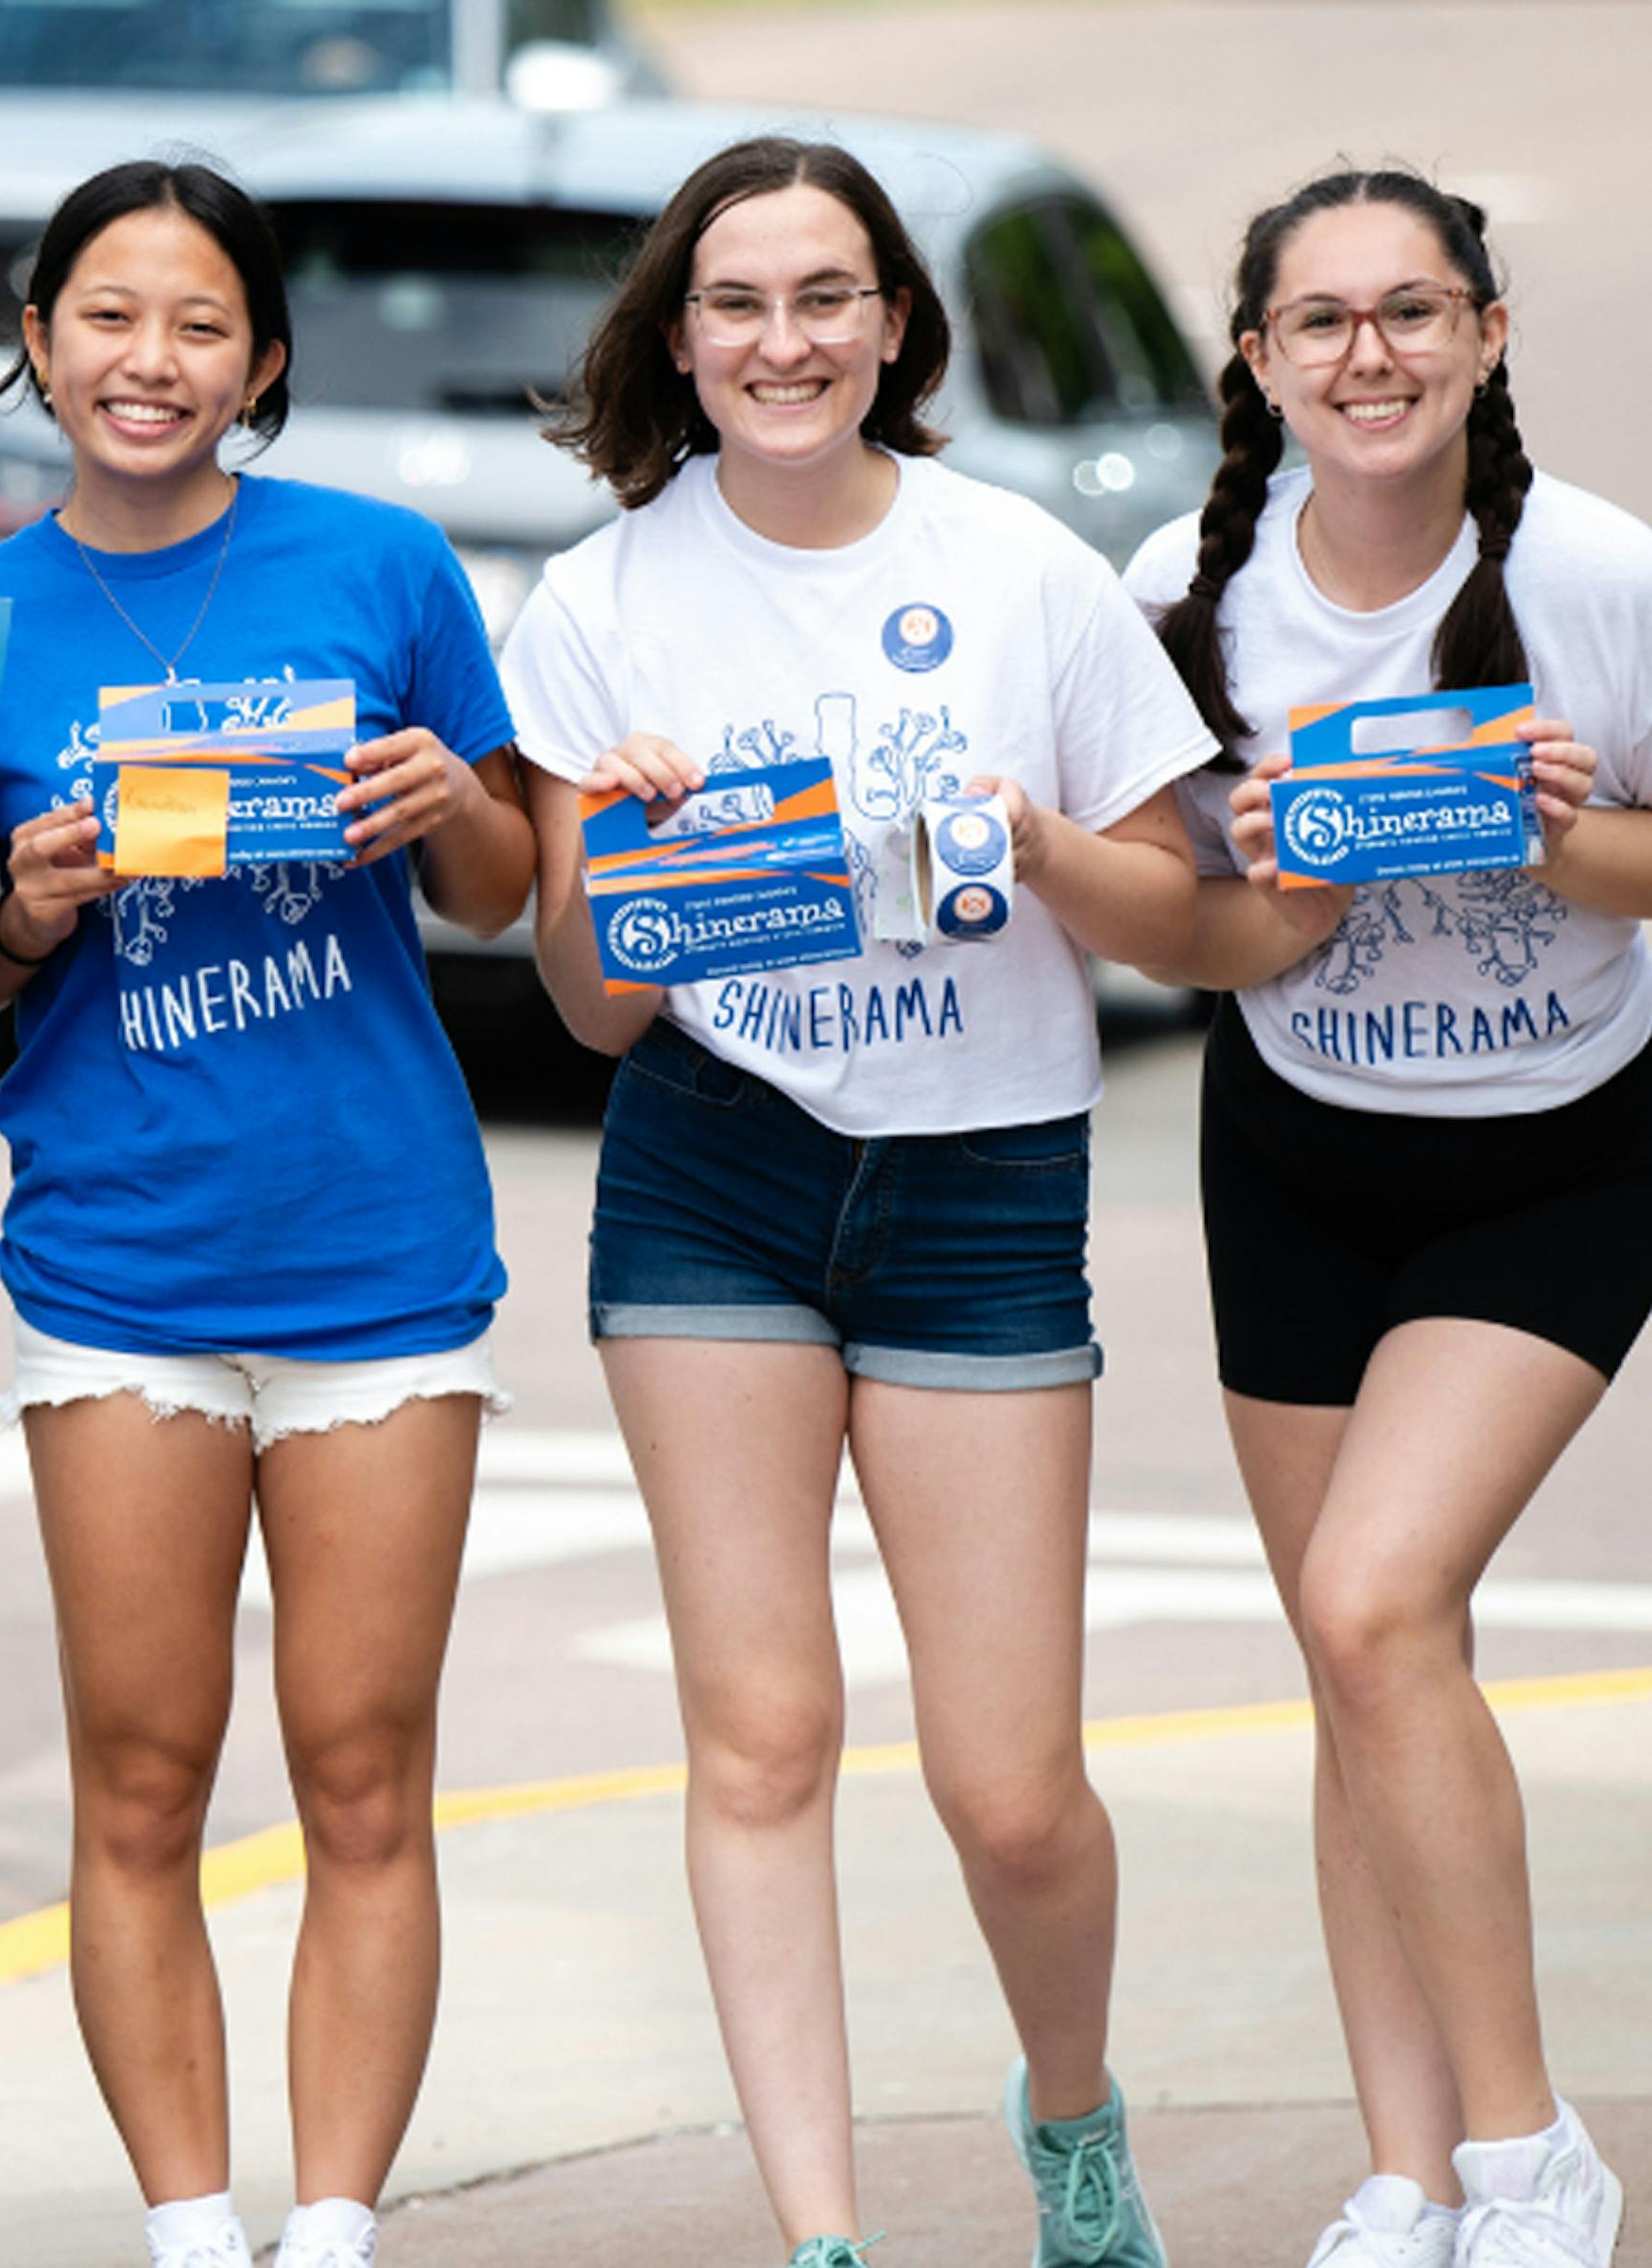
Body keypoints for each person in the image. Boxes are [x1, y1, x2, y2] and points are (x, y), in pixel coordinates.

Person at [502, 137, 1219, 2268]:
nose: (784, 340)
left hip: (984, 1179)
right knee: (764, 1736)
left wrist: (1032, 840)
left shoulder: (1022, 575)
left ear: (896, 323)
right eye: (739, 304)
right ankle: (820, 2236)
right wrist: (624, 865)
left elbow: (1194, 916)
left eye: (828, 297)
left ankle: (1072, 2118)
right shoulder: (600, 601)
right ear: (682, 336)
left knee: (1011, 1785)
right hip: (714, 1162)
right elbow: (589, 1006)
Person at [0, 159, 534, 2268]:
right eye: (106, 316)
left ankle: (340, 2230)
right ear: (36, 339)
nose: (148, 362)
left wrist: (449, 804)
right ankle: (195, 2233)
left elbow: (505, 893)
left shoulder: (380, 564)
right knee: (142, 1779)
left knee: (366, 1771)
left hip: (379, 1259)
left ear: (263, 361)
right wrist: (20, 904)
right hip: (119, 1264)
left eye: (198, 326)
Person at [1127, 168, 1648, 2268]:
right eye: (1323, 323)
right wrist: (1261, 871)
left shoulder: (1602, 571)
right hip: (1301, 1146)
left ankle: (1534, 2160)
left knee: (1369, 1605)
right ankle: (1407, 2176)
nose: (1373, 358)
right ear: (1259, 359)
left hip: (1565, 1146)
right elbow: (1206, 948)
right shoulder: (1187, 579)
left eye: (1414, 314)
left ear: (1489, 335)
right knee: (1363, 1662)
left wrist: (1577, 838)